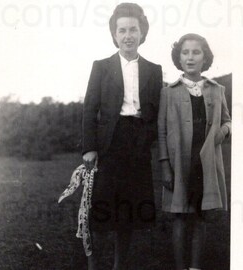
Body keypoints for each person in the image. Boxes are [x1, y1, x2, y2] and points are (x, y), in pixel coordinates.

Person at [82, 3, 162, 270]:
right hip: (109, 143)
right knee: (101, 205)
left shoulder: (153, 69)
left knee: (129, 209)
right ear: (114, 35)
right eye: (122, 30)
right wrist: (90, 147)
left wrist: (147, 136)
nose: (128, 35)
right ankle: (94, 264)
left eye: (133, 30)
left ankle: (119, 265)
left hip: (138, 143)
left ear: (142, 33)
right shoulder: (101, 66)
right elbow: (90, 108)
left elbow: (155, 110)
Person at [157, 33, 231, 270]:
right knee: (180, 216)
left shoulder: (217, 89)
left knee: (201, 217)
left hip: (205, 163)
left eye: (196, 52)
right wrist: (165, 165)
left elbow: (228, 121)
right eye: (185, 53)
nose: (190, 58)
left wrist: (222, 133)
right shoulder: (168, 92)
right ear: (178, 57)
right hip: (180, 163)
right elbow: (161, 132)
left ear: (204, 57)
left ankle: (195, 267)